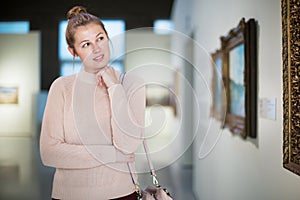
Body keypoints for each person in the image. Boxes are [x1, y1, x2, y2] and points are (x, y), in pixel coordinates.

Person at [39, 5, 145, 200]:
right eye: (86, 44)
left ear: (107, 37)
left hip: (121, 194)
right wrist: (112, 156)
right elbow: (49, 153)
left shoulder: (131, 84)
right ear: (73, 51)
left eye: (100, 38)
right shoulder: (62, 87)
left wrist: (114, 88)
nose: (97, 49)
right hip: (69, 195)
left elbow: (128, 145)